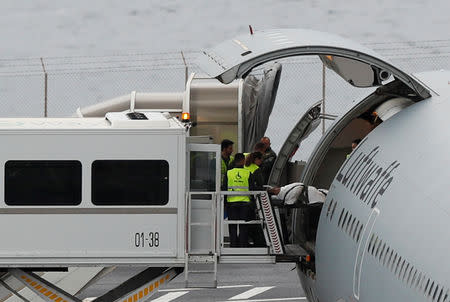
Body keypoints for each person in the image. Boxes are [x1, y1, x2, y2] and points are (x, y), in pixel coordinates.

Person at [223, 153, 254, 247]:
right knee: (243, 226)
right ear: (243, 161)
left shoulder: (228, 173)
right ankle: (242, 245)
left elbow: (224, 188)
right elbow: (252, 189)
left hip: (231, 203)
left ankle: (233, 245)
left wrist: (225, 203)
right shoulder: (248, 173)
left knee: (232, 225)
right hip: (245, 203)